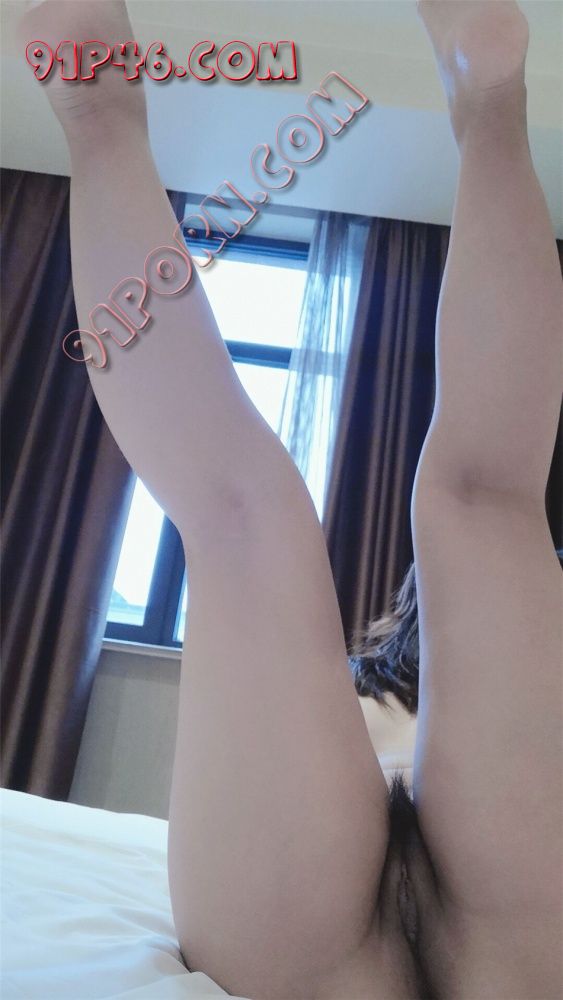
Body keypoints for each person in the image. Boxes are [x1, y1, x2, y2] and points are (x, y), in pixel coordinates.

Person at [18, 1, 563, 997]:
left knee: (303, 515)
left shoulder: (373, 675)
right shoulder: (400, 673)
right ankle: (99, 116)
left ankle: (487, 99)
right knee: (296, 515)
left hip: (360, 886)